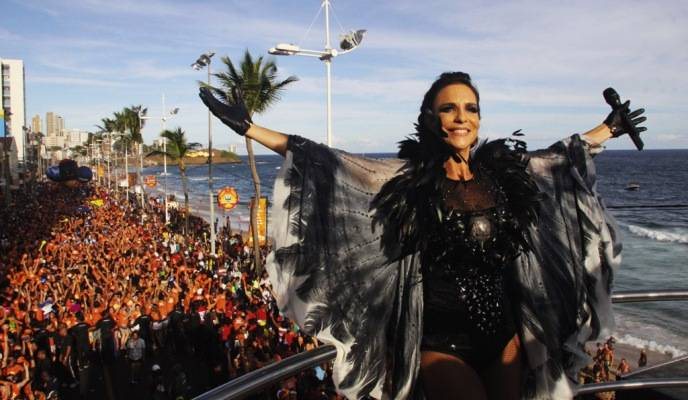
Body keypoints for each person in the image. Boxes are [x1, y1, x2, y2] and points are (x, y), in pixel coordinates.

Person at [200, 71, 647, 400]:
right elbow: (329, 163)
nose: (461, 117)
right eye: (449, 108)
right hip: (440, 341)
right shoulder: (406, 177)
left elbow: (554, 162)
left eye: (471, 108)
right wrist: (249, 128)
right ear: (430, 119)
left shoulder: (503, 174)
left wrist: (609, 128)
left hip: (506, 337)